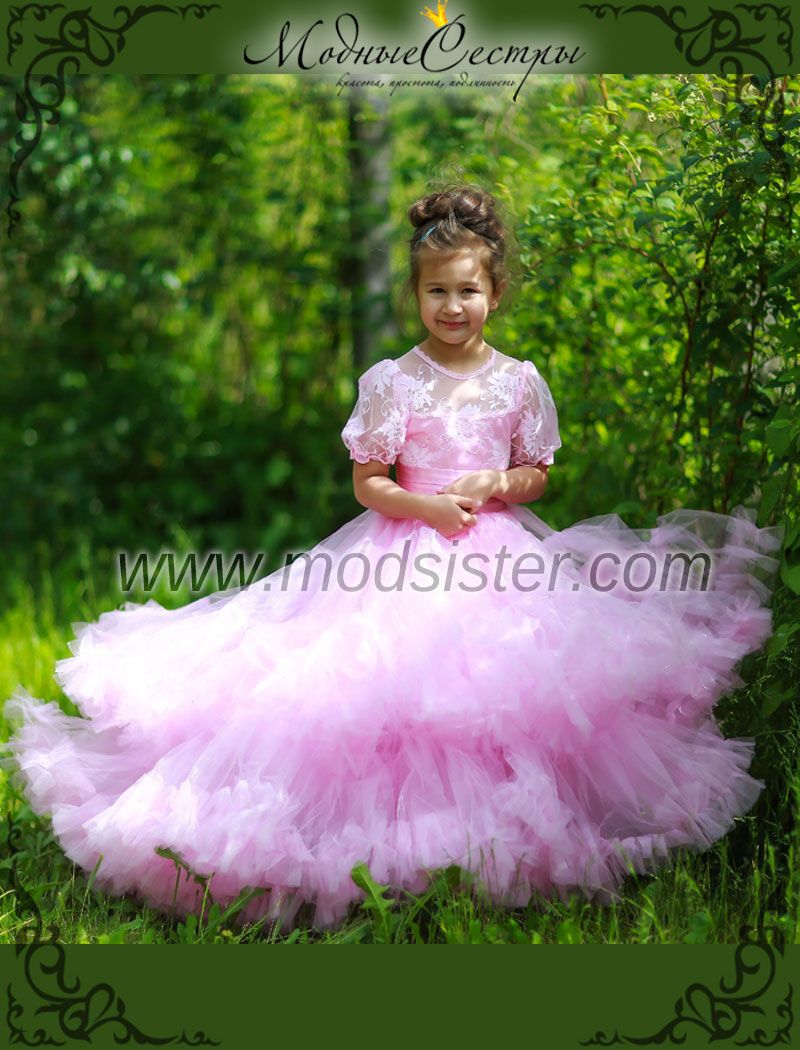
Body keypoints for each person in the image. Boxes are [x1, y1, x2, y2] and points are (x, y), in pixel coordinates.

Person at [1, 184, 783, 935]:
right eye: (437, 291)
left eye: (468, 290)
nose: (453, 306)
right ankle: (392, 854)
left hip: (501, 556)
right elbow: (368, 482)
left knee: (506, 696)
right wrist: (426, 505)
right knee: (387, 699)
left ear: (495, 292)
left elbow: (537, 473)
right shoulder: (393, 382)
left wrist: (497, 483)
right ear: (416, 295)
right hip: (402, 552)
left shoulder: (519, 381)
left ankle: (498, 849)